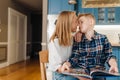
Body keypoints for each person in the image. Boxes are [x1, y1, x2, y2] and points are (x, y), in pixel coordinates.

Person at [62, 13, 118, 80]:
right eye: (78, 23)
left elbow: (109, 56)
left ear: (91, 22)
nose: (79, 25)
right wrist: (67, 64)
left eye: (81, 22)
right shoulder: (78, 39)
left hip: (98, 73)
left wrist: (113, 64)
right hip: (82, 73)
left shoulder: (103, 38)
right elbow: (74, 58)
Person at [47, 11, 79, 80]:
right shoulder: (54, 42)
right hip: (60, 74)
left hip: (71, 71)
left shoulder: (72, 39)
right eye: (76, 21)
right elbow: (56, 67)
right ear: (68, 23)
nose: (78, 24)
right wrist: (77, 76)